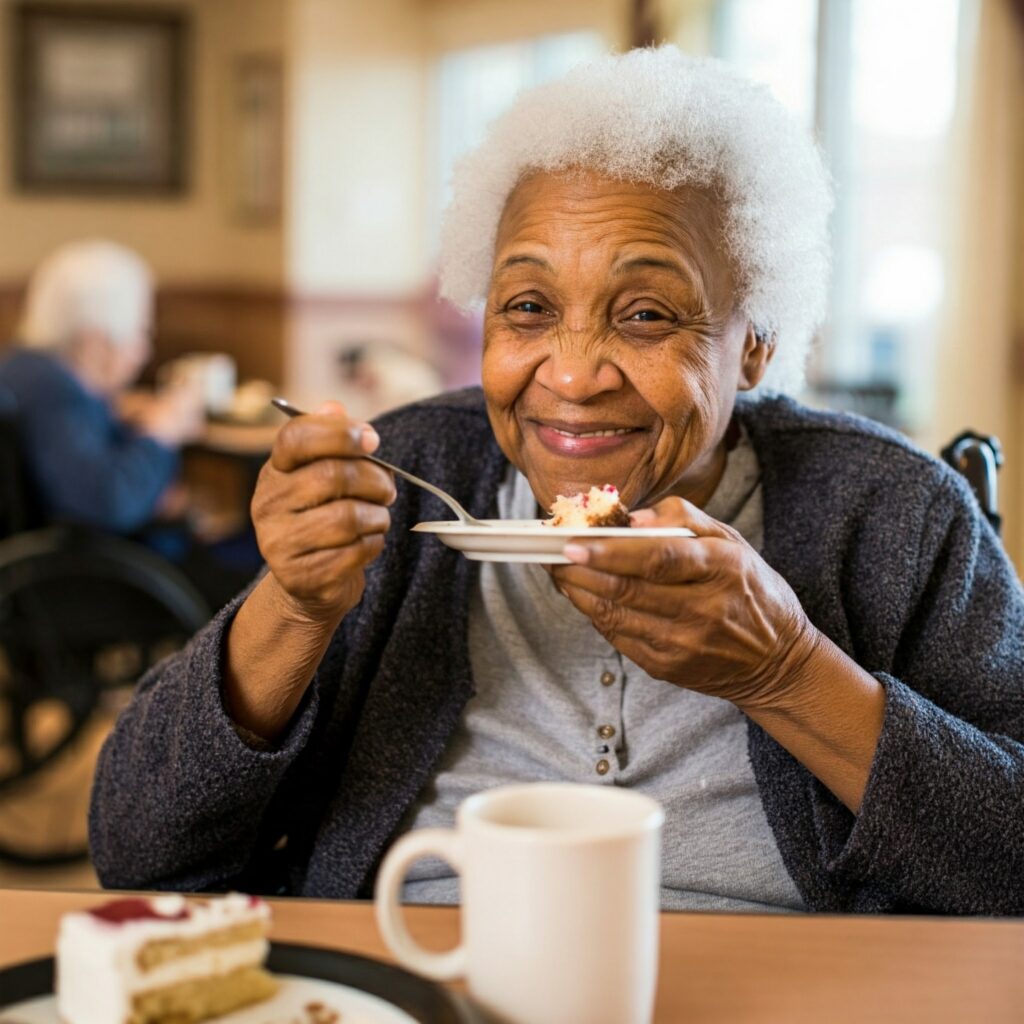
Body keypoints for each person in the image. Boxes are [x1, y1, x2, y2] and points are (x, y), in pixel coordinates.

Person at [90, 48, 1024, 914]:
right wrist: (292, 610)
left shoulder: (893, 511)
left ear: (757, 343)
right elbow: (138, 853)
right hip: (413, 979)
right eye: (528, 308)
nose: (572, 377)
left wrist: (785, 673)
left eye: (648, 314)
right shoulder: (404, 478)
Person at [0, 240, 203, 533]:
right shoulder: (55, 393)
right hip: (80, 568)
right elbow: (110, 502)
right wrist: (161, 433)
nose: (144, 352)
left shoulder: (24, 366)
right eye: (139, 333)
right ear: (94, 342)